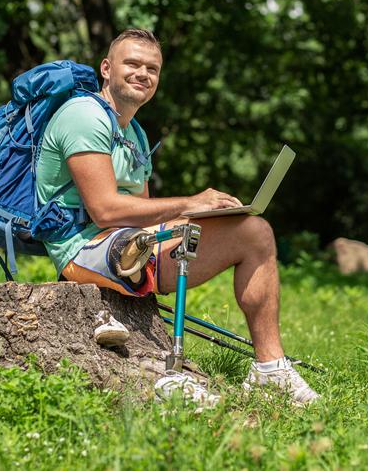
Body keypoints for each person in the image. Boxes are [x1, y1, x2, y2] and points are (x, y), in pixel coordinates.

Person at [35, 28, 319, 406]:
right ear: (106, 68)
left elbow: (143, 216)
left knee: (254, 232)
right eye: (132, 64)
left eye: (152, 68)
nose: (143, 74)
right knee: (185, 228)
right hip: (79, 249)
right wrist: (189, 205)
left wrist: (205, 218)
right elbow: (104, 210)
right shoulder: (84, 116)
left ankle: (270, 369)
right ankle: (172, 373)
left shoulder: (133, 132)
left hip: (121, 243)